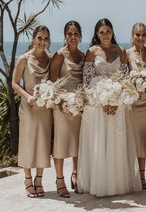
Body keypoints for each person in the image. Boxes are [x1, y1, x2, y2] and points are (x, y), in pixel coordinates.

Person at [77, 18, 141, 197]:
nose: (105, 35)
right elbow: (87, 82)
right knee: (99, 143)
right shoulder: (91, 51)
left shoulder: (120, 50)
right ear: (97, 34)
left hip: (117, 106)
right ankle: (98, 183)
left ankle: (116, 183)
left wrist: (116, 101)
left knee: (115, 144)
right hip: (97, 107)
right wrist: (102, 101)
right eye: (101, 32)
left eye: (108, 31)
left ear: (113, 32)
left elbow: (125, 80)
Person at [12, 25, 52, 198]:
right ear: (34, 38)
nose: (42, 41)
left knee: (43, 142)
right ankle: (28, 180)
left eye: (45, 38)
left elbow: (54, 82)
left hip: (44, 109)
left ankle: (39, 180)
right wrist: (28, 97)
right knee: (28, 143)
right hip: (28, 107)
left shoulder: (50, 59)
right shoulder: (24, 59)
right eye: (40, 38)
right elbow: (14, 83)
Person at [49, 21, 84, 197]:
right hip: (62, 106)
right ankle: (59, 179)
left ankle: (76, 175)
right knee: (61, 143)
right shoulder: (59, 55)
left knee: (78, 142)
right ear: (65, 36)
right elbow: (51, 83)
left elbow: (84, 82)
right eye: (69, 34)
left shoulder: (83, 56)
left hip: (78, 107)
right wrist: (60, 104)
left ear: (80, 36)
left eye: (76, 33)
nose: (73, 37)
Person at [127, 22, 146, 189]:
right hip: (131, 102)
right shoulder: (126, 53)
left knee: (143, 139)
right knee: (130, 139)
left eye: (143, 34)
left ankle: (142, 176)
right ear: (133, 36)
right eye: (137, 34)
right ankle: (130, 175)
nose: (140, 37)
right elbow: (123, 76)